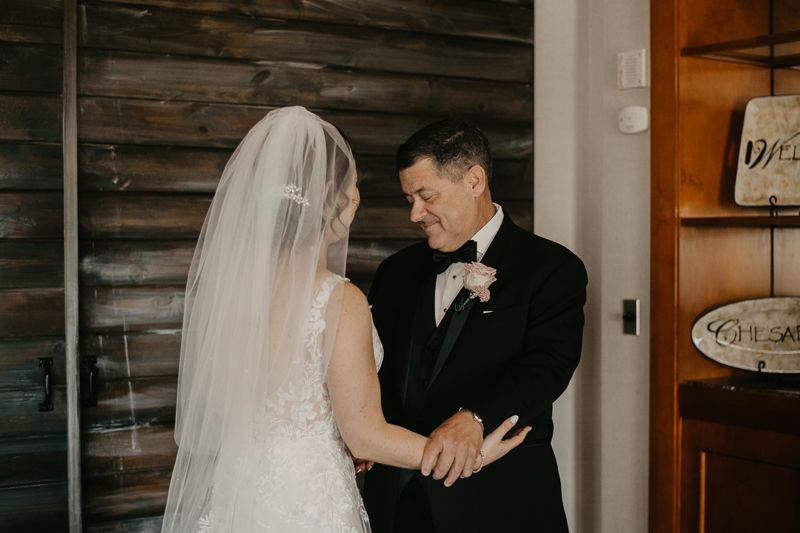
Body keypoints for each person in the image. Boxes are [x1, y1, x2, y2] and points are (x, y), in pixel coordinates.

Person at [160, 107, 529, 533]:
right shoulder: (337, 299)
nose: (358, 196)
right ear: (329, 193)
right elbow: (364, 436)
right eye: (354, 182)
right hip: (307, 502)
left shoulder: (234, 295)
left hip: (238, 494)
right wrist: (472, 456)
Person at [362, 118, 588, 532]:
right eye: (409, 198)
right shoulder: (395, 272)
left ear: (474, 180)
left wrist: (476, 417)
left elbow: (548, 366)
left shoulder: (552, 268)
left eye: (426, 196)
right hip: (396, 497)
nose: (415, 213)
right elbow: (372, 367)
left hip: (498, 498)